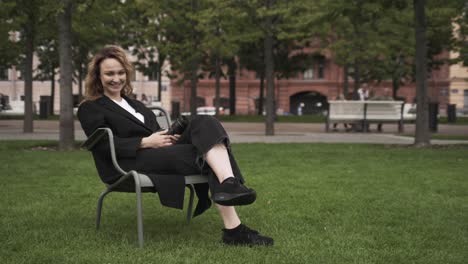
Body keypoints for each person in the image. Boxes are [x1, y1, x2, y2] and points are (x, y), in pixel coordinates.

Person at [77, 46, 273, 246]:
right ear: (97, 77)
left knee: (205, 123)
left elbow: (156, 133)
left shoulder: (137, 106)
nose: (116, 78)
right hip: (127, 161)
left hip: (160, 153)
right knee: (208, 153)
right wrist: (145, 142)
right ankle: (233, 219)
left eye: (120, 73)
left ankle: (229, 185)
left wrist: (171, 137)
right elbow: (100, 144)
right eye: (109, 73)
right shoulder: (90, 107)